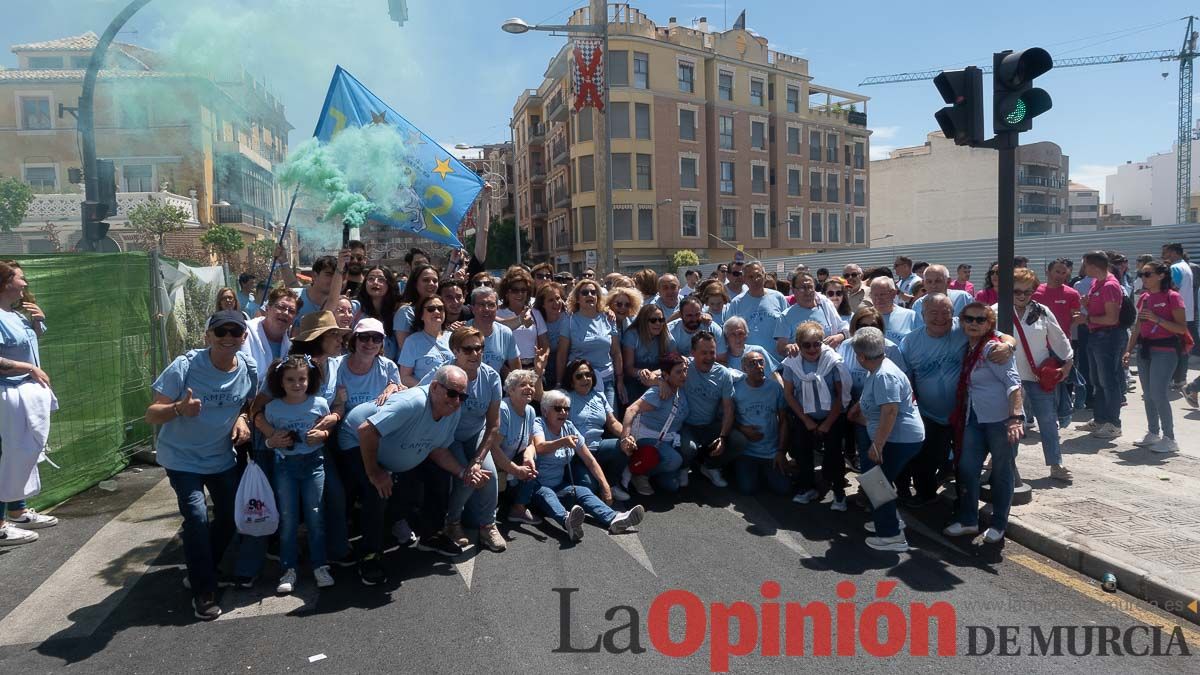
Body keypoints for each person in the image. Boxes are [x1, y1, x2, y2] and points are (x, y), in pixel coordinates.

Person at [145, 310, 255, 620]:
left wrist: (243, 419)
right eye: (221, 332)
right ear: (208, 336)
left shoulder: (247, 367)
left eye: (235, 332)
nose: (228, 337)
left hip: (220, 458)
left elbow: (249, 402)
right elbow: (152, 413)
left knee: (231, 517)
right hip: (181, 459)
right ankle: (204, 589)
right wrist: (179, 408)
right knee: (195, 516)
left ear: (244, 337)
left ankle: (201, 568)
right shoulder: (185, 366)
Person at [346, 365, 481, 583]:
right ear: (435, 387)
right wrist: (375, 472)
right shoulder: (412, 403)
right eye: (452, 393)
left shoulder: (451, 410)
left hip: (394, 447)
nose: (457, 401)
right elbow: (366, 430)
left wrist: (463, 472)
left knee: (437, 476)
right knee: (377, 489)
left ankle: (431, 535)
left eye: (462, 396)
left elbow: (437, 449)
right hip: (356, 441)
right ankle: (369, 555)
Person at [946, 303, 1024, 546]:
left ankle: (999, 523)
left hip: (1000, 421)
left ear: (990, 324)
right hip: (974, 418)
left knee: (1001, 473)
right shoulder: (969, 344)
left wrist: (1015, 419)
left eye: (981, 320)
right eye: (969, 319)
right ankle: (969, 519)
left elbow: (1013, 383)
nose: (974, 323)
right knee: (967, 469)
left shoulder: (993, 348)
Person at [527, 390, 645, 540]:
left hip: (559, 485)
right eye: (557, 408)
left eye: (566, 409)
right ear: (545, 411)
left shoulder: (569, 427)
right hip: (537, 486)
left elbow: (589, 460)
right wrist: (562, 442)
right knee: (547, 494)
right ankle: (567, 521)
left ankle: (614, 518)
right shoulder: (539, 423)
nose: (563, 412)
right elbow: (540, 447)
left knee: (582, 491)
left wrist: (605, 486)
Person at [262, 355, 334, 594]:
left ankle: (320, 565)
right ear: (280, 382)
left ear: (309, 378)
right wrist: (273, 442)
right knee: (288, 518)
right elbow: (269, 441)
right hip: (286, 466)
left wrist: (322, 436)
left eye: (302, 379)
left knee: (316, 515)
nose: (297, 384)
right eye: (290, 379)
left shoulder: (320, 404)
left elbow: (326, 433)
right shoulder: (273, 409)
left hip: (314, 464)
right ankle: (288, 568)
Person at [848, 327, 924, 552]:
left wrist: (877, 445)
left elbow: (890, 411)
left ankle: (891, 535)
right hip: (897, 438)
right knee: (880, 481)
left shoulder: (884, 375)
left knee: (877, 484)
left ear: (861, 356)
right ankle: (888, 520)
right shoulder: (880, 369)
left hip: (899, 439)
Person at [285, 311, 351, 567]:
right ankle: (287, 557)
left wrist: (334, 418)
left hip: (324, 445)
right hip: (290, 449)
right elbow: (263, 404)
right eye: (334, 335)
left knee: (335, 494)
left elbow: (338, 403)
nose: (339, 339)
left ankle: (337, 549)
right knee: (291, 507)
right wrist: (272, 436)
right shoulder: (291, 366)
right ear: (318, 338)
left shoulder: (337, 365)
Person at [432, 327, 506, 553]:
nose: (476, 354)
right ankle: (452, 522)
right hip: (448, 436)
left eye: (480, 348)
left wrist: (478, 459)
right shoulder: (443, 373)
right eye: (468, 349)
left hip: (476, 433)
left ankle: (487, 525)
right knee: (467, 478)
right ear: (455, 350)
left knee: (489, 474)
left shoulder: (491, 377)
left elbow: (493, 424)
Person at [0, 260, 57, 547]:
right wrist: (29, 368)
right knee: (7, 454)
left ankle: (17, 511)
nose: (25, 284)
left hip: (24, 394)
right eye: (20, 278)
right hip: (5, 396)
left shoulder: (16, 314)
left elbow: (28, 343)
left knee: (22, 450)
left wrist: (36, 322)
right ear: (5, 283)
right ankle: (0, 526)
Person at [1005, 269, 1074, 481]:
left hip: (1037, 376)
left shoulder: (1042, 311)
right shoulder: (997, 311)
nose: (1022, 295)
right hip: (1009, 378)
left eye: (1028, 291)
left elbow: (1059, 338)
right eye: (1017, 290)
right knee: (1013, 422)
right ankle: (1006, 463)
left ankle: (1056, 463)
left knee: (1047, 420)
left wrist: (1068, 363)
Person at [780, 321, 850, 509]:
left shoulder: (832, 361)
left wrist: (827, 423)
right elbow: (788, 394)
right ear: (799, 344)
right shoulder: (791, 363)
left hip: (832, 416)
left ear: (823, 343)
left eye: (816, 343)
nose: (812, 348)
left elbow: (840, 394)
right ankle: (807, 487)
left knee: (834, 455)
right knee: (802, 453)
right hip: (805, 416)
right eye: (806, 345)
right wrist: (806, 420)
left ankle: (838, 492)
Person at [1123, 259, 1186, 453]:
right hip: (1145, 349)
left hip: (1165, 350)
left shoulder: (1172, 297)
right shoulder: (1144, 297)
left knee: (1158, 393)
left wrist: (1157, 319)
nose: (1143, 278)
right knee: (1148, 395)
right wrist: (1128, 349)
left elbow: (1181, 328)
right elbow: (1138, 328)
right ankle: (1153, 433)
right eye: (1141, 274)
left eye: (1147, 274)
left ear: (1161, 275)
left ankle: (1170, 438)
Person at [620, 353, 689, 495]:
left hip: (668, 440)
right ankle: (638, 473)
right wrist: (625, 438)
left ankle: (648, 471)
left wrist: (659, 379)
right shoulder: (657, 392)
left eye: (685, 370)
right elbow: (631, 410)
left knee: (672, 486)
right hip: (649, 439)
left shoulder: (679, 388)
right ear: (666, 375)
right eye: (678, 372)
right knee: (674, 460)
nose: (683, 375)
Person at [678, 332, 738, 489]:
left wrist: (723, 437)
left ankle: (710, 466)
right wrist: (658, 380)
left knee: (739, 440)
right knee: (687, 448)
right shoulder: (684, 367)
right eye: (703, 353)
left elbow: (728, 409)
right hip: (687, 426)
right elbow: (662, 374)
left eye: (712, 352)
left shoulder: (723, 374)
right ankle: (684, 467)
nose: (709, 357)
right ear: (692, 353)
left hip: (710, 425)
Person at [562, 359, 629, 498]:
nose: (585, 379)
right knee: (589, 487)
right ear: (571, 380)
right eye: (579, 376)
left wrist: (627, 436)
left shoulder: (599, 396)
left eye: (588, 374)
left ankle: (611, 485)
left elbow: (613, 423)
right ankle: (594, 485)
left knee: (623, 445)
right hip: (577, 453)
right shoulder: (564, 399)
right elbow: (540, 395)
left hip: (599, 447)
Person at [1077, 251, 1125, 439]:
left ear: (1094, 266)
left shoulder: (1110, 285)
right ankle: (1100, 419)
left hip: (1108, 337)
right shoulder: (1097, 283)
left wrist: (1086, 317)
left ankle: (1113, 424)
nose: (1083, 268)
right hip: (1096, 335)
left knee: (1108, 382)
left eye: (1085, 264)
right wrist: (1088, 306)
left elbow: (1112, 318)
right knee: (1097, 381)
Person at [728, 349, 790, 495]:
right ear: (744, 368)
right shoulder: (735, 389)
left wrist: (781, 451)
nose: (759, 366)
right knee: (747, 489)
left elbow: (784, 421)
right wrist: (742, 428)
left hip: (771, 452)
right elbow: (727, 417)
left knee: (784, 489)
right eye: (753, 363)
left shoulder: (775, 388)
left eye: (761, 362)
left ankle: (766, 471)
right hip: (747, 452)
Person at [1033, 258, 1084, 428]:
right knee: (1038, 381)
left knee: (1058, 381)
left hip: (1061, 345)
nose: (1060, 276)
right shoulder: (1035, 292)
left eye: (1064, 273)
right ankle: (1035, 416)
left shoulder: (1071, 294)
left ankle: (1060, 415)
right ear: (1048, 272)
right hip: (1038, 344)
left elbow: (1075, 317)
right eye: (1057, 272)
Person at [557, 279, 624, 408]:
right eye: (585, 292)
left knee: (610, 421)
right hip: (579, 381)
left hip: (606, 380)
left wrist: (620, 380)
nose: (590, 295)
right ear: (577, 298)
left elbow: (616, 352)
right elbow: (562, 354)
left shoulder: (609, 319)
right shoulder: (569, 321)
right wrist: (559, 383)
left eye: (593, 292)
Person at [332, 318, 402, 424]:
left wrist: (395, 386)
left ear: (382, 343)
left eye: (376, 338)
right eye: (364, 337)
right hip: (342, 427)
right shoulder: (336, 366)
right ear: (354, 340)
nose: (370, 343)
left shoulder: (389, 367)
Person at [498, 370, 543, 525]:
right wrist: (515, 470)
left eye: (531, 385)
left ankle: (519, 508)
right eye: (523, 385)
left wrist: (527, 457)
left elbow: (530, 443)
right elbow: (492, 448)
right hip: (496, 463)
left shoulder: (530, 410)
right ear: (511, 390)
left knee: (534, 458)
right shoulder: (503, 409)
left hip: (514, 460)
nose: (529, 388)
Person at [774, 271, 846, 357]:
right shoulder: (785, 317)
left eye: (810, 287)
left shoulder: (826, 306)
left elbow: (844, 328)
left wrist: (839, 337)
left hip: (828, 363)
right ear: (793, 290)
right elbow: (781, 348)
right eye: (802, 288)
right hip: (801, 368)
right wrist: (789, 347)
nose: (807, 291)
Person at [241, 287, 297, 391]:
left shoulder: (291, 346)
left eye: (292, 311)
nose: (285, 313)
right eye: (281, 307)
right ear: (267, 308)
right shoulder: (244, 332)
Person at [727, 263, 789, 351]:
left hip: (777, 359)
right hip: (750, 359)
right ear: (744, 279)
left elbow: (788, 326)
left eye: (759, 275)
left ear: (764, 276)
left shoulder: (779, 297)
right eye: (751, 277)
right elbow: (729, 333)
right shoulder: (736, 303)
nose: (755, 280)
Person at [622, 304, 675, 404]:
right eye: (653, 320)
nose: (658, 323)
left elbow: (674, 362)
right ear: (643, 321)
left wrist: (656, 377)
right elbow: (628, 368)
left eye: (661, 320)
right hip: (635, 379)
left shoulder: (666, 336)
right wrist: (641, 373)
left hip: (658, 374)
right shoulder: (632, 335)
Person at [397, 294, 453, 387]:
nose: (436, 312)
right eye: (431, 309)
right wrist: (428, 389)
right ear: (421, 315)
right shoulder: (412, 341)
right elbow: (405, 377)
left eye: (440, 308)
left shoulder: (454, 338)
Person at [496, 267, 544, 370]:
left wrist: (541, 362)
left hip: (533, 368)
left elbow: (545, 344)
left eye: (523, 290)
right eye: (515, 290)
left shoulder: (535, 313)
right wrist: (520, 320)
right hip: (508, 368)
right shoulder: (497, 312)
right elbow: (499, 327)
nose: (520, 294)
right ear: (506, 292)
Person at [469, 286, 521, 379]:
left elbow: (516, 370)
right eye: (481, 304)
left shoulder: (505, 333)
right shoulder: (461, 332)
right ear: (472, 308)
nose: (486, 309)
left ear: (497, 308)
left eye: (491, 305)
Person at [1162, 243, 1195, 389]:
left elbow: (1172, 288)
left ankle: (1174, 378)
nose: (1163, 255)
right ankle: (1180, 379)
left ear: (1174, 253)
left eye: (1166, 252)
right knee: (1183, 347)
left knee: (1174, 348)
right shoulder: (1186, 266)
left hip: (1176, 314)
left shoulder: (1175, 268)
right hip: (1186, 313)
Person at [393, 263, 441, 355]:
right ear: (415, 283)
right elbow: (405, 350)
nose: (431, 284)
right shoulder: (405, 312)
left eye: (435, 281)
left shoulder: (440, 309)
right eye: (426, 280)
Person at [355, 266, 401, 361]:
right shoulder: (356, 308)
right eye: (371, 279)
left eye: (381, 279)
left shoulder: (398, 312)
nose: (375, 282)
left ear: (390, 283)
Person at [911, 265, 972, 329]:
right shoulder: (918, 305)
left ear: (948, 282)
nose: (933, 286)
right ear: (924, 283)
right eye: (929, 282)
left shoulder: (963, 298)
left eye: (938, 281)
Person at [534, 283, 569, 388]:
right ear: (543, 304)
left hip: (567, 367)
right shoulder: (536, 320)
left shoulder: (569, 316)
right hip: (545, 368)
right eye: (550, 300)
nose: (556, 303)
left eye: (558, 298)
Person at [868, 277, 917, 343]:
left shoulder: (910, 316)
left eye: (882, 294)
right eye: (875, 295)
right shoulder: (864, 317)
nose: (878, 298)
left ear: (893, 294)